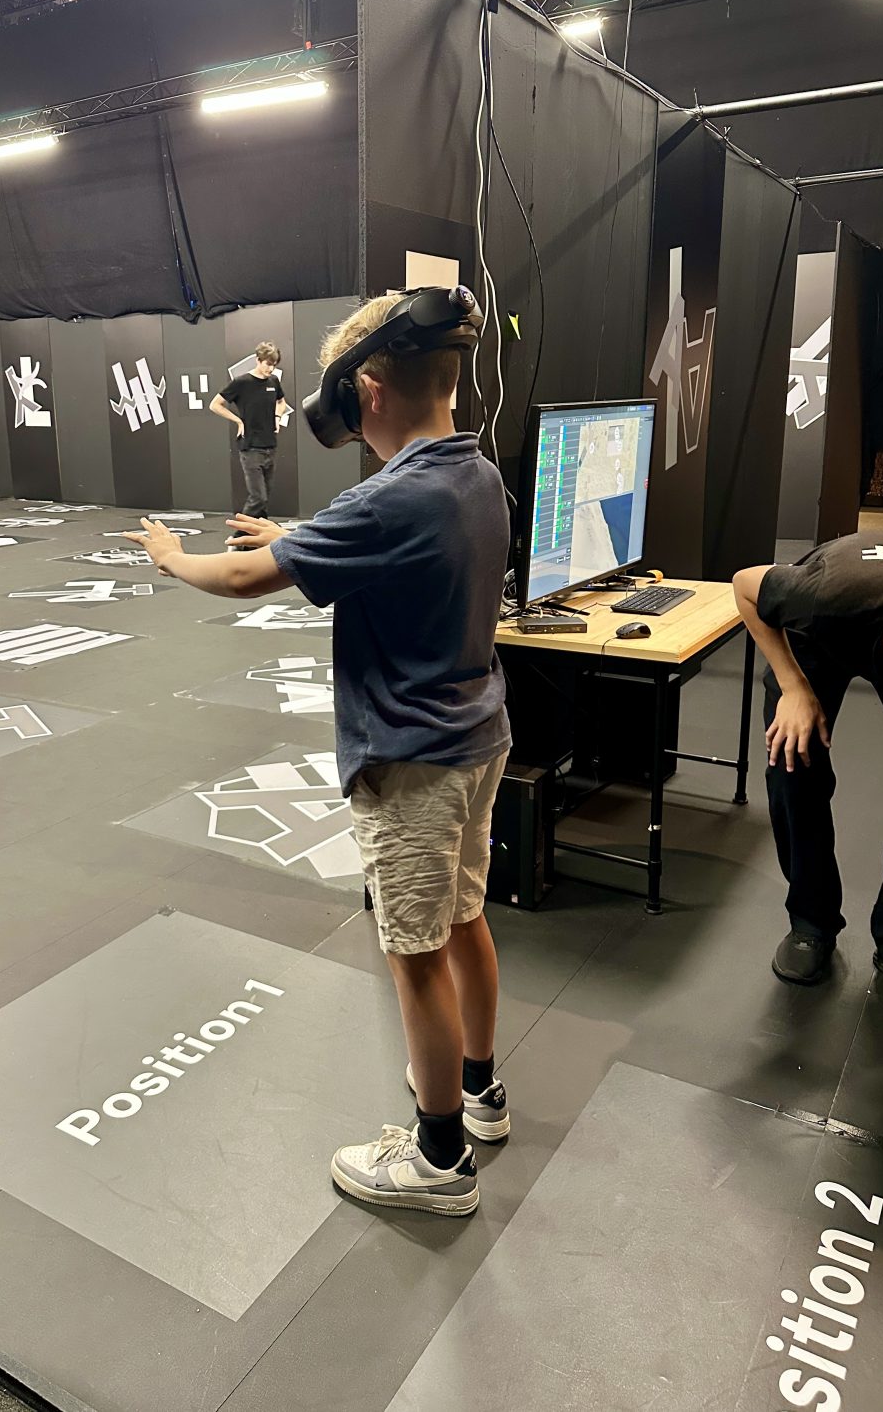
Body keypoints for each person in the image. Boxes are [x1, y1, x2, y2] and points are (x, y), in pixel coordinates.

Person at [128, 293, 511, 1217]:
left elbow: (242, 578)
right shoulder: (476, 474)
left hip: (412, 762)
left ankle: (440, 1156)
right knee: (464, 917)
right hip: (477, 741)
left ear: (368, 390)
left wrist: (173, 556)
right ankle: (481, 1090)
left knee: (415, 952)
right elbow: (366, 546)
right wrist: (297, 538)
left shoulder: (387, 500)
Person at [733, 532, 883, 984]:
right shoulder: (827, 596)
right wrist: (794, 688)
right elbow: (744, 586)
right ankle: (811, 920)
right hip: (816, 639)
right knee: (792, 766)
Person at [210, 342, 290, 519]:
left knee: (264, 499)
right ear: (258, 360)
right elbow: (215, 405)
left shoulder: (273, 381)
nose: (271, 369)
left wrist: (277, 417)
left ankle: (256, 534)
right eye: (268, 364)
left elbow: (281, 402)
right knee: (258, 498)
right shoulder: (242, 382)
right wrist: (238, 421)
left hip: (270, 446)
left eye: (274, 365)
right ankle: (240, 532)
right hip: (251, 447)